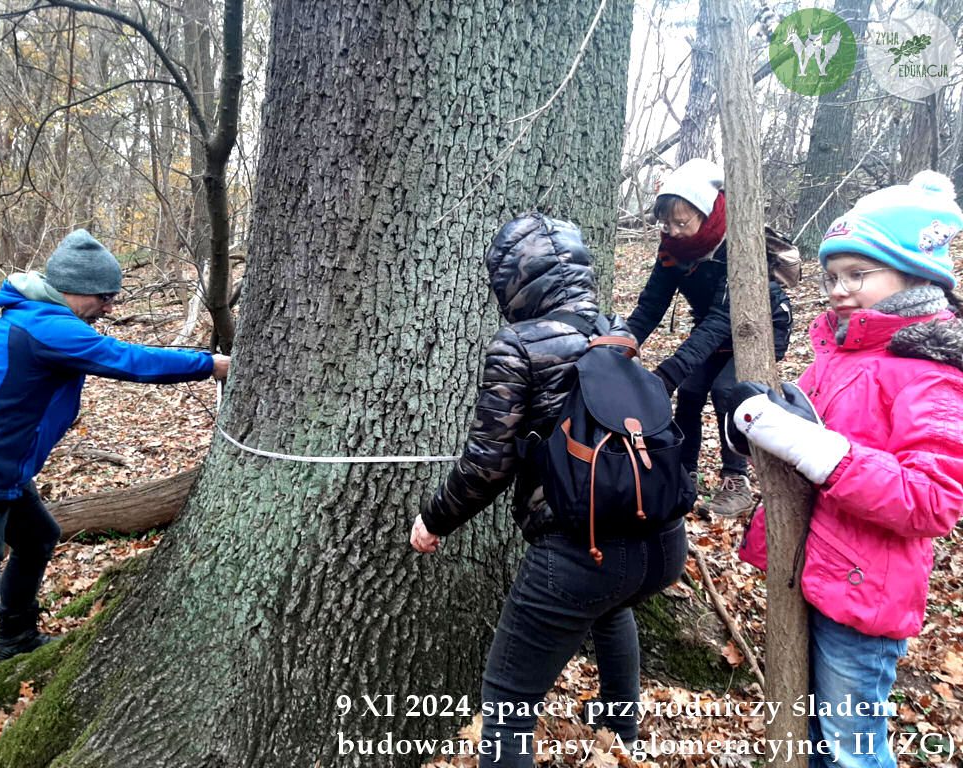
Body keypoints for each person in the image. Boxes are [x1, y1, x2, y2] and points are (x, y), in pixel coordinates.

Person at [410, 214, 687, 767]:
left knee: (507, 697)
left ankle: (616, 738)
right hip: (663, 542)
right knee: (611, 610)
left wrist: (433, 519)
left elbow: (488, 465)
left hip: (581, 552)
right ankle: (622, 739)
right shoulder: (617, 334)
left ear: (511, 281)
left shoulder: (517, 344)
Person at [0, 229, 230, 745]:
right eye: (104, 296)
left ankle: (17, 637)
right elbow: (127, 360)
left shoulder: (41, 319)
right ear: (75, 289)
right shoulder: (47, 326)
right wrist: (209, 364)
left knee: (37, 536)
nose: (108, 307)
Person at [729, 171, 963, 768]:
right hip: (816, 573)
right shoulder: (842, 350)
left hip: (865, 594)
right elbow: (797, 425)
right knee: (809, 740)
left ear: (915, 275)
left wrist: (812, 447)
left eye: (860, 274)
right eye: (833, 276)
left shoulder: (931, 371)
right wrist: (755, 425)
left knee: (850, 751)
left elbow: (931, 498)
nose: (839, 289)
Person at [626, 159, 792, 517]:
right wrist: (619, 343)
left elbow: (722, 317)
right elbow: (652, 305)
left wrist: (669, 370)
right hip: (712, 330)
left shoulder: (737, 243)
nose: (672, 230)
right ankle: (682, 472)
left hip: (762, 328)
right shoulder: (672, 249)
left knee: (727, 390)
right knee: (688, 390)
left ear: (704, 212)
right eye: (666, 223)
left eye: (681, 222)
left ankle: (737, 480)